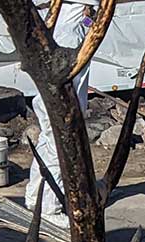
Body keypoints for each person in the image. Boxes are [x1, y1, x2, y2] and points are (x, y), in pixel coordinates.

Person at [24, 1, 96, 230]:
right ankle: (48, 207)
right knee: (60, 135)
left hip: (69, 28)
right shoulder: (68, 32)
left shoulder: (62, 22)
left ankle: (36, 196)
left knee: (50, 136)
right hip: (70, 34)